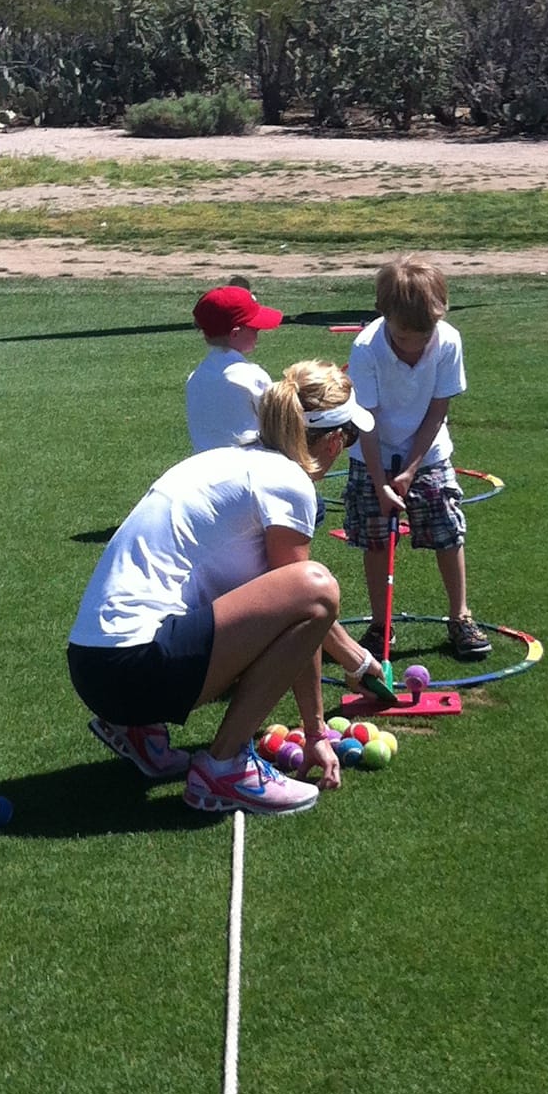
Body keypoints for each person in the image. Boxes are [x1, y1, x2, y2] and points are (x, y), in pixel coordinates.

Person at [66, 361, 375, 816]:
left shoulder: (222, 460)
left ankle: (139, 731)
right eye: (349, 438)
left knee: (298, 593)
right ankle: (224, 767)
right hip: (134, 669)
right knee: (318, 587)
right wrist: (315, 731)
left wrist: (354, 659)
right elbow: (306, 611)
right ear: (333, 441)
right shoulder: (288, 482)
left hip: (93, 667)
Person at [344, 255, 492, 662]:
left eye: (422, 335)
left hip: (428, 451)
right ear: (386, 315)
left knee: (447, 529)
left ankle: (460, 616)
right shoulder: (366, 348)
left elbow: (437, 409)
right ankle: (381, 624)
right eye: (406, 335)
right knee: (376, 539)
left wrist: (410, 469)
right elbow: (366, 419)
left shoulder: (447, 340)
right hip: (370, 452)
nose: (415, 344)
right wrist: (380, 484)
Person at [184, 283, 281, 451]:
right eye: (254, 328)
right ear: (235, 333)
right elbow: (279, 426)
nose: (258, 332)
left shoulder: (195, 377)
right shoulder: (252, 376)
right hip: (250, 467)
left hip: (205, 467)